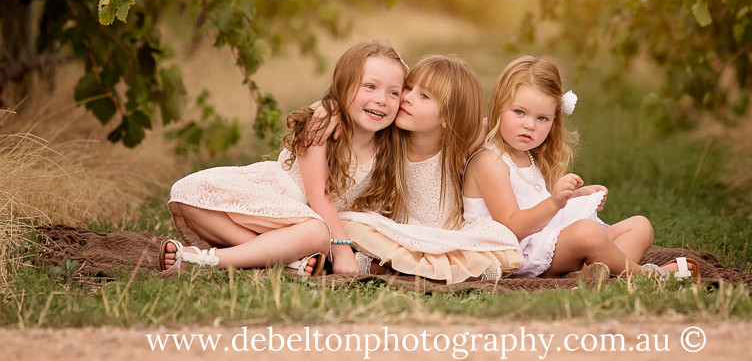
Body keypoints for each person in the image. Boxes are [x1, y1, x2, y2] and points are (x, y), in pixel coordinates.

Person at [160, 40, 407, 275]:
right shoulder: (320, 126)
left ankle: (207, 260)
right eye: (370, 86)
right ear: (344, 86)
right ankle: (285, 260)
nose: (381, 100)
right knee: (187, 193)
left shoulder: (391, 147)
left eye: (394, 93)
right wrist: (341, 250)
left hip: (307, 231)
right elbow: (318, 196)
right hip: (271, 203)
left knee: (315, 233)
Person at [462, 56, 699, 280]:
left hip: (543, 239)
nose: (529, 125)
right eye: (519, 112)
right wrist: (555, 202)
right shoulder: (490, 161)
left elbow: (534, 203)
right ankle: (644, 275)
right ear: (497, 109)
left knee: (640, 226)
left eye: (542, 118)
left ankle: (595, 272)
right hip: (517, 254)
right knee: (588, 232)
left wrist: (573, 197)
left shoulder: (527, 156)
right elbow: (512, 226)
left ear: (554, 120)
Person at [313, 55, 523, 283]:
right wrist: (329, 108)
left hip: (442, 238)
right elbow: (352, 103)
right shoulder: (386, 136)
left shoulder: (460, 146)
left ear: (448, 117)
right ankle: (406, 269)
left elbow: (499, 121)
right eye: (409, 88)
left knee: (494, 238)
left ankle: (402, 269)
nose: (407, 98)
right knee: (356, 225)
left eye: (423, 96)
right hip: (396, 232)